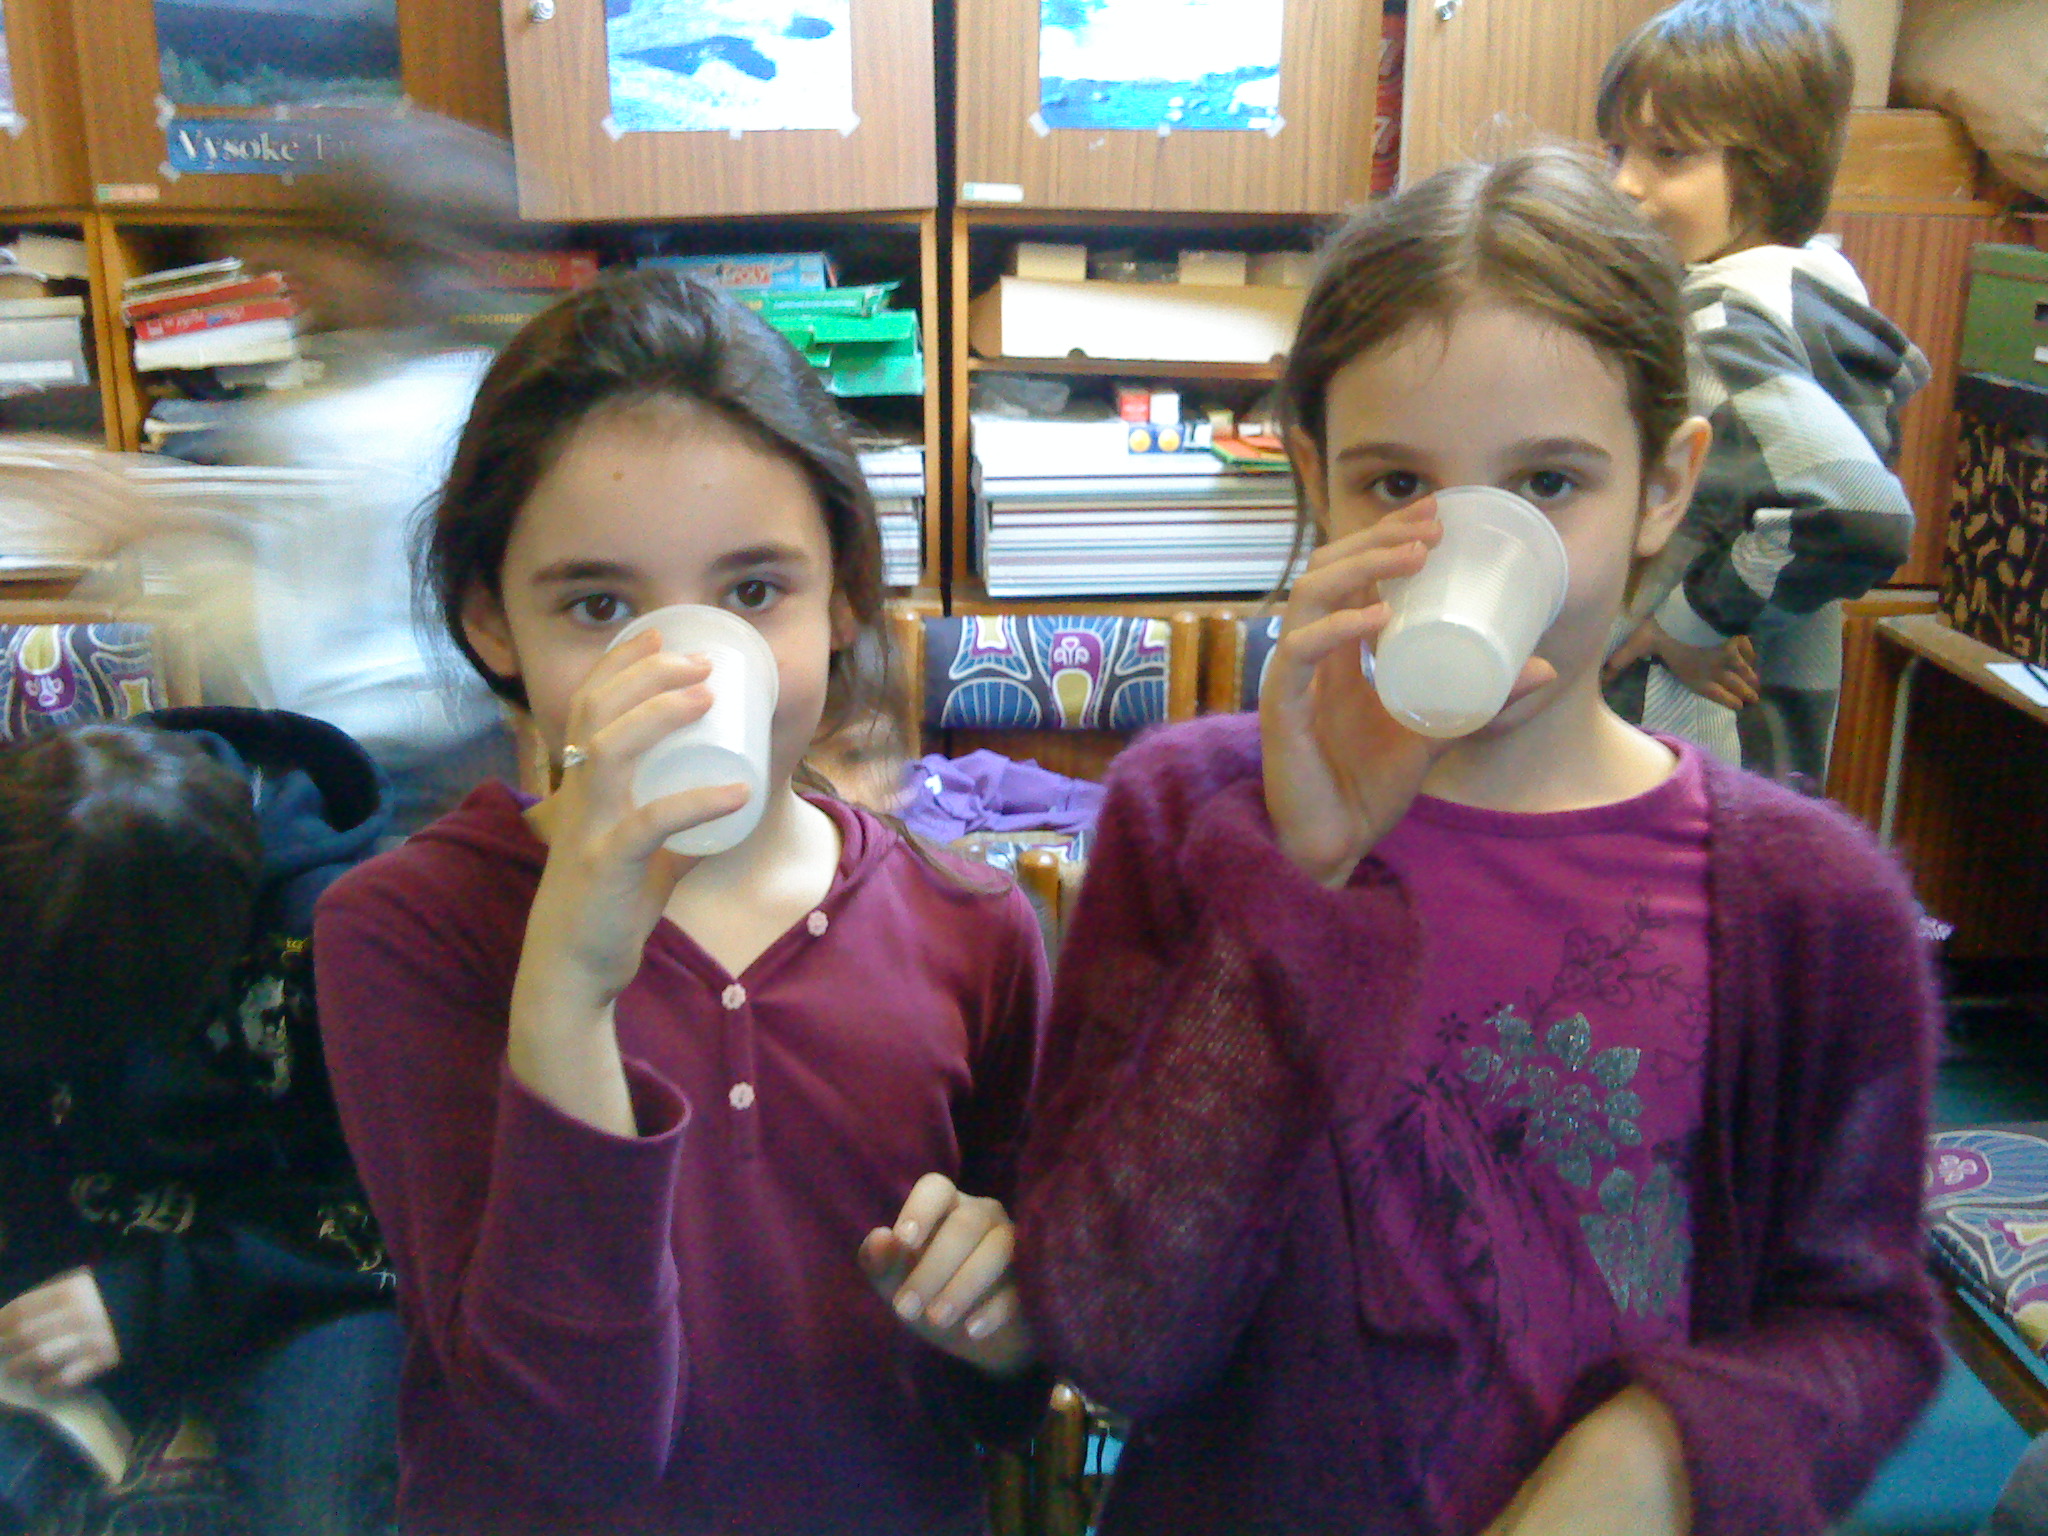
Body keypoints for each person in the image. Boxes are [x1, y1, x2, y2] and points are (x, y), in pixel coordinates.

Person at [1012, 148, 1942, 1536]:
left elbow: (1866, 1325)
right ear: (1316, 479)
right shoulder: (1187, 817)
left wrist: (1660, 1447)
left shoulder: (1813, 903)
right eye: (1397, 483)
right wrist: (1296, 885)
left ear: (1666, 485)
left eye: (1549, 482)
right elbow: (1112, 1336)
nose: (1462, 553)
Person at [314, 269, 1051, 1536]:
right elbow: (570, 1445)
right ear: (492, 622)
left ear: (843, 599)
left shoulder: (972, 926)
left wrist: (1003, 1326)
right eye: (599, 607)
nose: (685, 676)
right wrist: (568, 986)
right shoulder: (404, 930)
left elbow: (1004, 1403)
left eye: (752, 592)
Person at [0, 712, 400, 1536]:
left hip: (289, 1275)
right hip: (73, 1254)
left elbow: (383, 1219)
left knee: (314, 1513)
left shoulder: (337, 937)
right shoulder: (32, 893)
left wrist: (140, 1301)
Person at [1595, 0, 1928, 784]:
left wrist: (1690, 621)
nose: (1625, 183)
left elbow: (1859, 513)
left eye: (1668, 154)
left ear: (1772, 170)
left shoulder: (1719, 324)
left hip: (1689, 740)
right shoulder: (1810, 295)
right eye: (1617, 150)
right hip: (1768, 739)